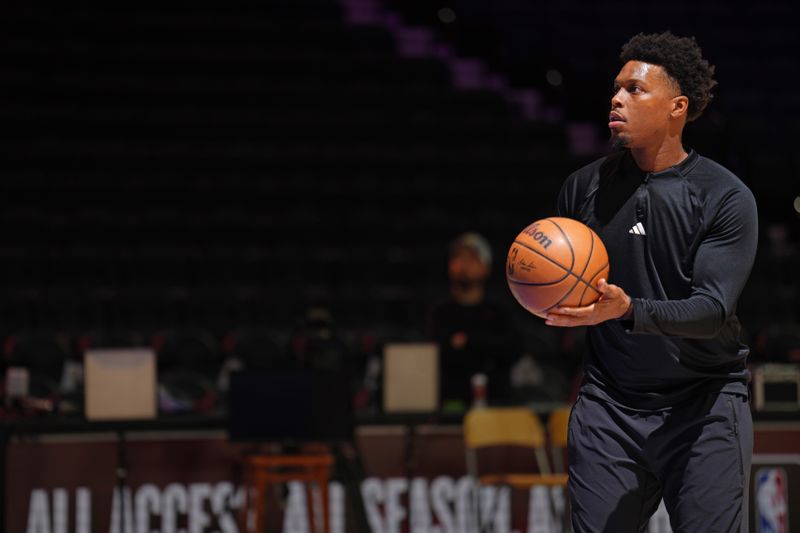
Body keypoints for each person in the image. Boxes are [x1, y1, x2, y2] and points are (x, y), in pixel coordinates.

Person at [547, 32, 758, 532]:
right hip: (610, 404)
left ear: (677, 107)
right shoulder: (582, 188)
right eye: (616, 88)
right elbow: (563, 287)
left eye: (636, 90)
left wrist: (627, 309)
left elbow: (710, 311)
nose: (617, 99)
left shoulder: (724, 197)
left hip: (703, 404)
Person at [427, 232, 523, 407]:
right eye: (458, 257)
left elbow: (513, 349)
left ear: (486, 267)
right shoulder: (440, 311)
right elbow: (435, 355)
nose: (464, 264)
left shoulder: (500, 310)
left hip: (497, 404)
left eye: (472, 258)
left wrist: (468, 342)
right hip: (450, 405)